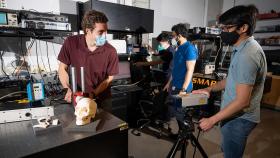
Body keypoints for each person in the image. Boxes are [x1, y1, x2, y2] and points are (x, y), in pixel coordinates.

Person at [192, 5, 266, 158]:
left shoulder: (248, 54)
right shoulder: (240, 48)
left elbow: (242, 101)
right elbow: (231, 79)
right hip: (232, 115)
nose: (223, 32)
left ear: (243, 27)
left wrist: (212, 120)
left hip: (240, 118)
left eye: (227, 28)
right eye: (221, 28)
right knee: (228, 150)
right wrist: (210, 89)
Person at [58, 10, 119, 112]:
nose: (105, 36)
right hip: (78, 98)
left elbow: (110, 78)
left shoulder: (110, 51)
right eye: (101, 32)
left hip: (102, 100)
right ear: (88, 30)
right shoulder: (71, 43)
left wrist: (93, 93)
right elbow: (62, 68)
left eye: (106, 31)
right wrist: (67, 88)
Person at [163, 23, 198, 130]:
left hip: (182, 87)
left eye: (174, 36)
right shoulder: (179, 48)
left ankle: (185, 137)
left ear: (179, 35)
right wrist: (169, 83)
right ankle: (181, 135)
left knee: (181, 113)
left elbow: (190, 70)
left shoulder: (189, 48)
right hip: (175, 85)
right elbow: (175, 69)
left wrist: (183, 89)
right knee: (175, 111)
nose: (173, 38)